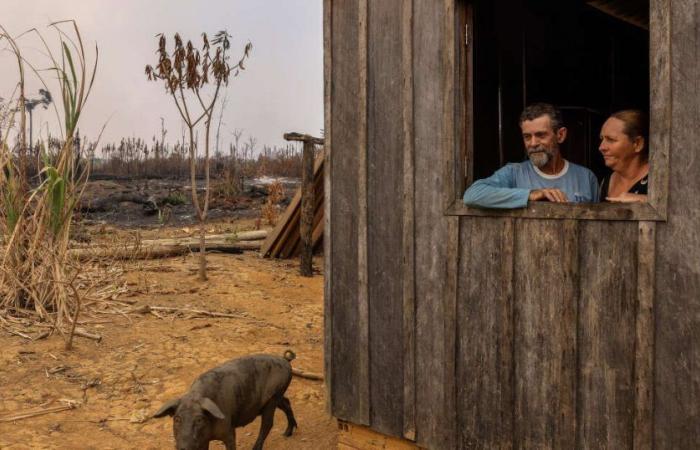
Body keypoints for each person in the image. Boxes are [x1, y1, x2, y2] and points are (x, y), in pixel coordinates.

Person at [463, 103, 599, 208]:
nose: (533, 143)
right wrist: (530, 194)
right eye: (527, 137)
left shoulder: (586, 177)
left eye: (541, 135)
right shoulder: (514, 173)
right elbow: (472, 195)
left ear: (560, 135)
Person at [598, 109, 648, 202]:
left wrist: (647, 200)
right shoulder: (606, 182)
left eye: (611, 139)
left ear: (637, 143)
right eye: (602, 139)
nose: (601, 147)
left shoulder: (659, 179)